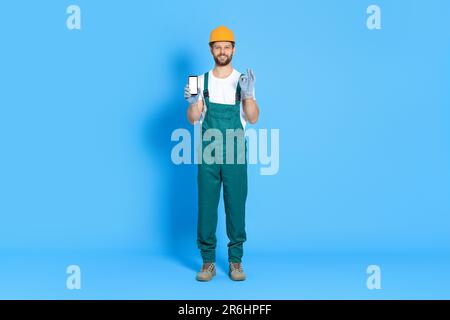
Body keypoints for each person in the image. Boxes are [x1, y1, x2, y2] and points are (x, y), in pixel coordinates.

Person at [184, 25, 259, 281]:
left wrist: (248, 96)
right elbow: (193, 118)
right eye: (218, 46)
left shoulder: (243, 80)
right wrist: (194, 103)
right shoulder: (200, 81)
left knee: (236, 206)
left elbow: (253, 118)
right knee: (206, 207)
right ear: (211, 50)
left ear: (234, 49)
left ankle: (236, 262)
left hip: (236, 153)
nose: (222, 51)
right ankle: (207, 262)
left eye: (227, 46)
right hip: (208, 154)